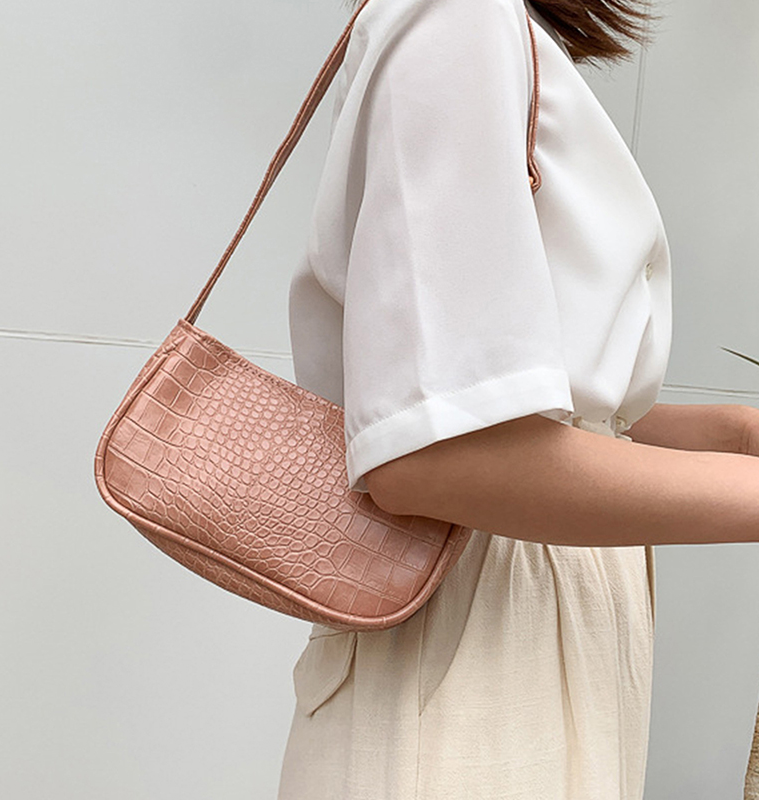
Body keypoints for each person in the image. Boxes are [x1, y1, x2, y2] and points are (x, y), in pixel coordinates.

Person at [276, 0, 759, 797]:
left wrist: (736, 435)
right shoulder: (459, 17)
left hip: (513, 629)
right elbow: (437, 456)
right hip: (480, 638)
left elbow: (513, 415)